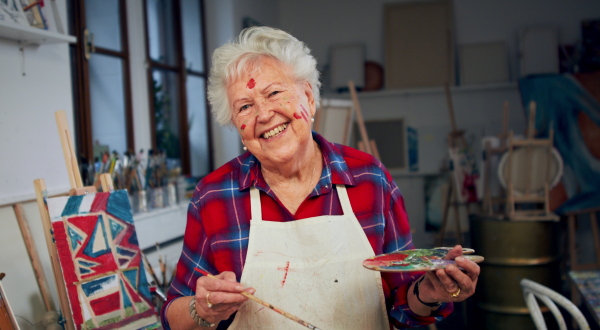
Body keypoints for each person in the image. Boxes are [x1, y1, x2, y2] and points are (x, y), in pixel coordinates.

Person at [162, 26, 480, 329]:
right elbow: (173, 317)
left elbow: (402, 307)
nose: (263, 114)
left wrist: (430, 293)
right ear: (235, 126)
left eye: (274, 92)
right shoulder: (214, 196)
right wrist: (200, 310)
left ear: (309, 97)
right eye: (245, 106)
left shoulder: (370, 179)